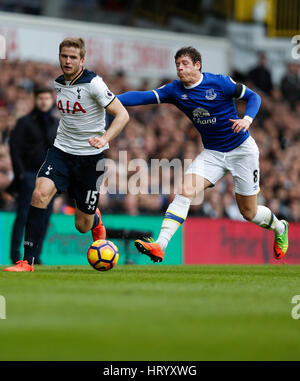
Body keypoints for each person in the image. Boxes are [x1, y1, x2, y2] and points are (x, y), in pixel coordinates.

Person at [117, 46, 289, 263]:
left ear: (197, 65)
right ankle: (160, 245)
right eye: (177, 64)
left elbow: (253, 97)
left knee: (249, 212)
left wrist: (247, 120)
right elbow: (142, 97)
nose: (180, 68)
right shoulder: (175, 90)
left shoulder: (219, 82)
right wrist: (111, 99)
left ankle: (280, 227)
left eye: (185, 64)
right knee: (185, 190)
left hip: (242, 151)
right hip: (213, 154)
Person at [5, 37, 129, 272]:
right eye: (64, 56)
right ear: (60, 57)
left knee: (82, 225)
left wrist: (104, 139)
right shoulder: (59, 83)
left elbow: (122, 115)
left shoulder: (94, 83)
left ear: (82, 60)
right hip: (61, 152)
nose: (68, 61)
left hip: (90, 158)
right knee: (39, 194)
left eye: (73, 57)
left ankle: (96, 219)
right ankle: (27, 261)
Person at [8, 87, 59, 264]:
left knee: (45, 217)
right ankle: (16, 255)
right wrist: (21, 174)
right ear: (35, 100)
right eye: (40, 98)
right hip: (30, 175)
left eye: (47, 98)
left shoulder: (56, 123)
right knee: (23, 215)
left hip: (51, 177)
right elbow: (14, 149)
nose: (44, 101)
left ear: (51, 100)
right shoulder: (24, 122)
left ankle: (35, 255)